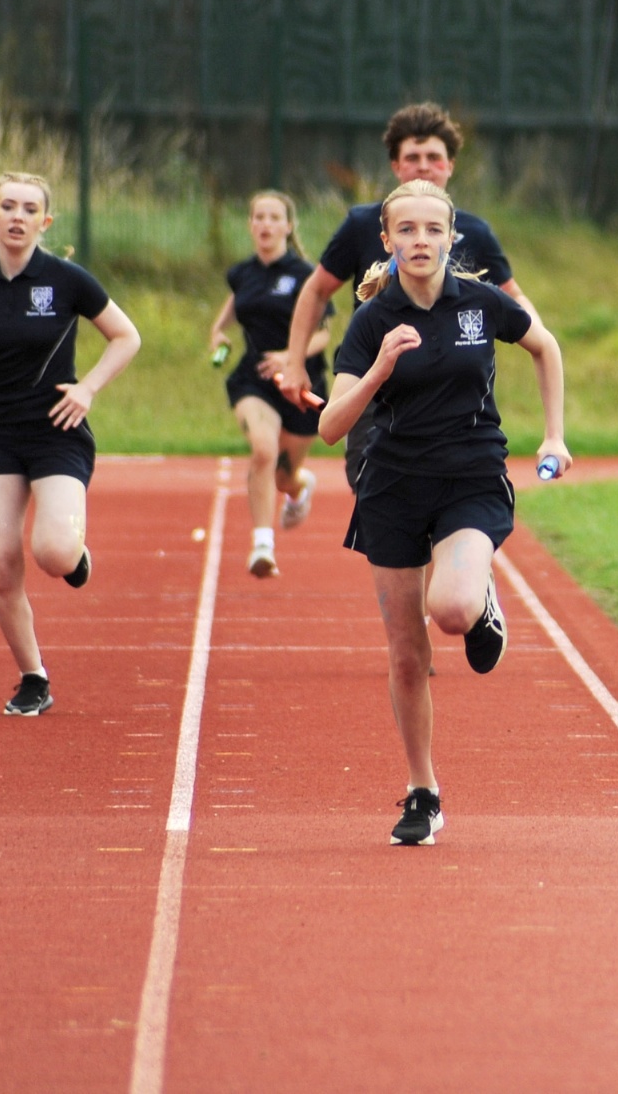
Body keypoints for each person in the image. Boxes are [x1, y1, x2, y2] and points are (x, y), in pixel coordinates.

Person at [319, 180, 569, 846]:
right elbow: (330, 426)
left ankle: (480, 602)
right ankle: (422, 791)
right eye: (406, 230)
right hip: (392, 489)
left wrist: (554, 436)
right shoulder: (371, 320)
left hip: (470, 479)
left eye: (433, 229)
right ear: (387, 240)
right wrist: (378, 370)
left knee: (451, 610)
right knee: (407, 655)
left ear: (452, 237)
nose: (420, 240)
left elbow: (545, 346)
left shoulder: (481, 304)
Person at [0, 172, 141, 718]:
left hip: (55, 428)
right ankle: (33, 676)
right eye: (8, 206)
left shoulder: (65, 279)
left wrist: (88, 388)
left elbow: (126, 336)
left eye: (29, 209)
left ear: (46, 221)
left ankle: (75, 553)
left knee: (53, 553)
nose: (17, 217)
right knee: (1, 565)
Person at [279, 102, 536, 490]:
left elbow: (514, 297)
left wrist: (538, 337)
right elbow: (316, 290)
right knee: (377, 494)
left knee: (449, 502)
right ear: (396, 167)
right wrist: (295, 361)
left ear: (450, 166)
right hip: (373, 386)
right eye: (413, 158)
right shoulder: (362, 225)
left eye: (433, 157)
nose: (423, 166)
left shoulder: (475, 233)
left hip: (449, 390)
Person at [208, 190, 332, 577]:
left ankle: (299, 486)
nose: (265, 224)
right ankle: (263, 545)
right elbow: (236, 302)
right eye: (259, 217)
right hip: (255, 379)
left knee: (282, 477)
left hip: (301, 385)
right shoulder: (242, 273)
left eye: (274, 217)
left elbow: (324, 334)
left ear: (288, 226)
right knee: (263, 449)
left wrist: (291, 355)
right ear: (250, 225)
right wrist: (218, 331)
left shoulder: (306, 275)